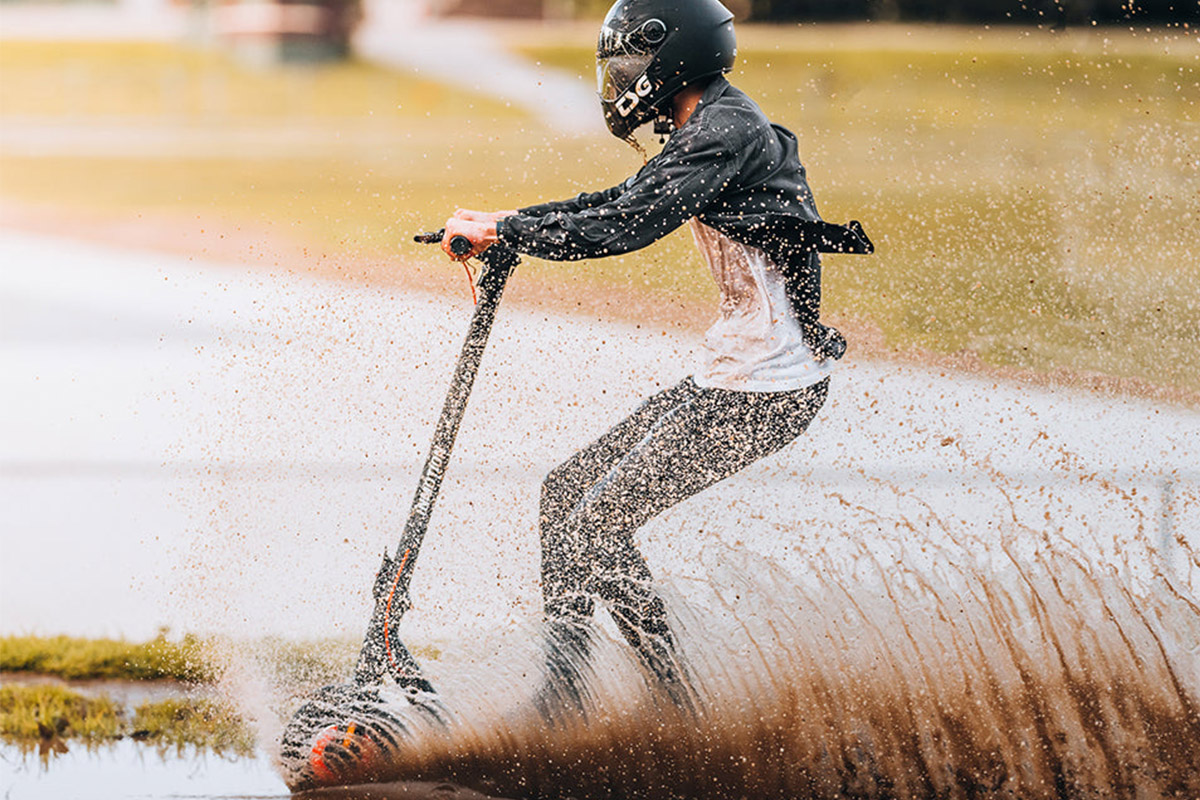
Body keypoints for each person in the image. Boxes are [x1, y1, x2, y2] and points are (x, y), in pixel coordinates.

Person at [440, 0, 871, 717]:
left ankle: (603, 705)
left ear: (670, 57)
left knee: (592, 524)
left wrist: (510, 230)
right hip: (736, 373)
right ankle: (631, 697)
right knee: (564, 498)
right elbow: (621, 198)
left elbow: (626, 225)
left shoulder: (725, 132)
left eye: (628, 65)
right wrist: (504, 224)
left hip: (767, 387)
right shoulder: (708, 123)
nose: (621, 81)